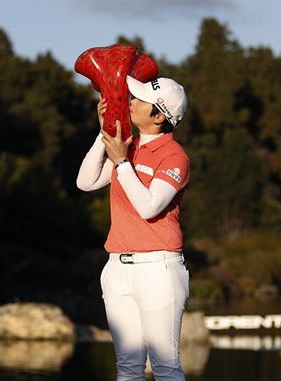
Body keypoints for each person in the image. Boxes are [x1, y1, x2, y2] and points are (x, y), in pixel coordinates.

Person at [76, 76, 190, 381]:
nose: (130, 102)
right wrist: (105, 135)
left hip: (159, 270)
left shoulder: (174, 156)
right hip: (117, 269)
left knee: (165, 366)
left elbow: (150, 206)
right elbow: (85, 182)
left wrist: (122, 163)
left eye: (138, 100)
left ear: (158, 116)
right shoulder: (127, 145)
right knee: (127, 367)